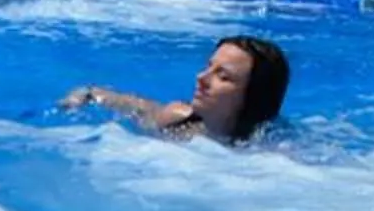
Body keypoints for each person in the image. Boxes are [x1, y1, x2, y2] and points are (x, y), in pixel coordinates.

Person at [62, 36, 289, 144]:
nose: (201, 78)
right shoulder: (178, 120)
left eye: (223, 76)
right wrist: (84, 95)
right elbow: (117, 101)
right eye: (209, 66)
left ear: (252, 95)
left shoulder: (268, 147)